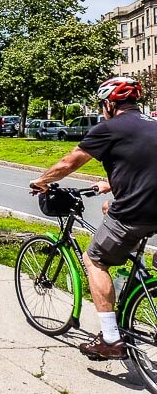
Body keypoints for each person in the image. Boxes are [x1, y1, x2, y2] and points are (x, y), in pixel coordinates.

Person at [30, 76, 157, 360]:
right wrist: (109, 184)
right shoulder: (152, 125)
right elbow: (144, 163)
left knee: (95, 259)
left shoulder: (109, 128)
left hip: (136, 212)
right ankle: (136, 276)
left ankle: (110, 339)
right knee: (107, 208)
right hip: (151, 209)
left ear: (110, 104)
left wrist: (41, 181)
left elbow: (69, 162)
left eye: (103, 105)